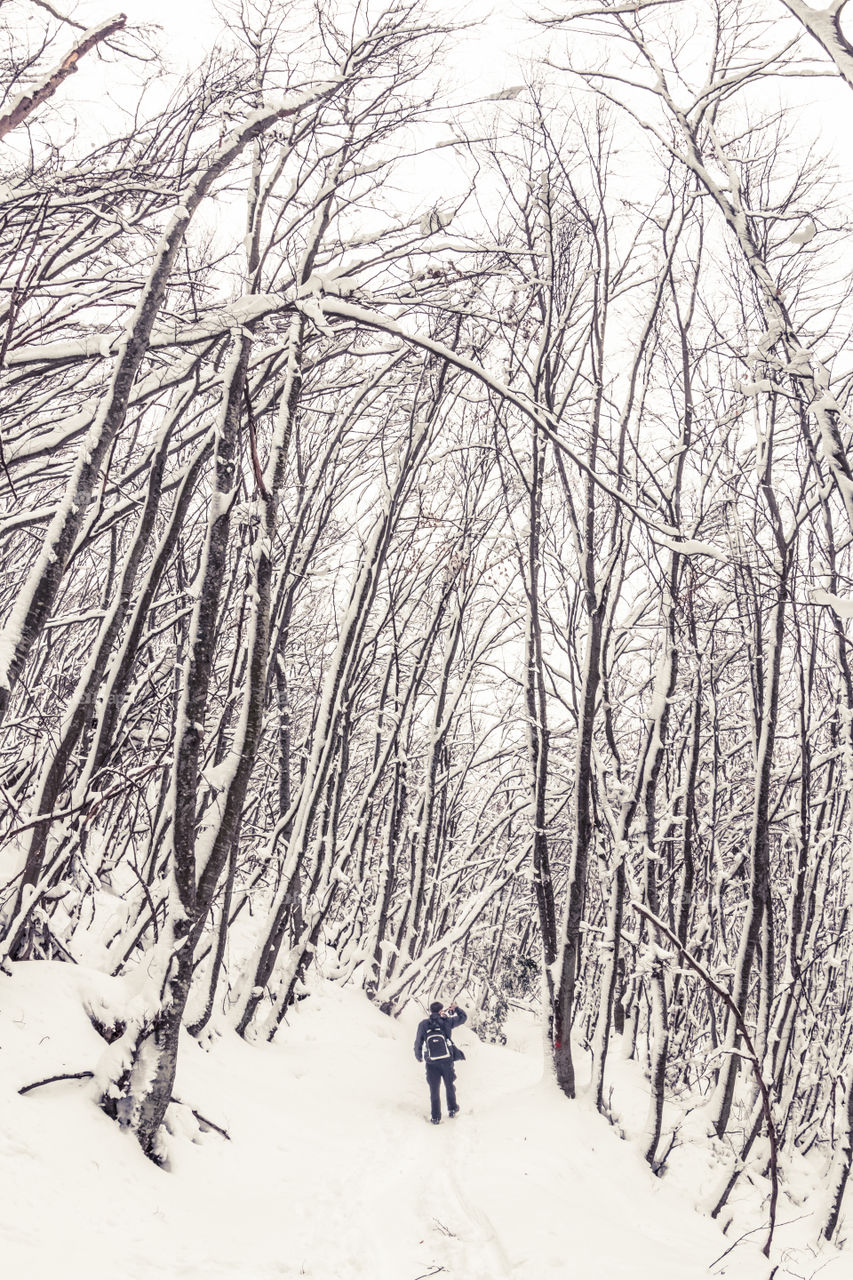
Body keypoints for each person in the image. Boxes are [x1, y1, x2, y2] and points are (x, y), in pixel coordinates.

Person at [414, 1000, 467, 1124]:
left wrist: (418, 1055)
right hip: (447, 1060)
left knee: (434, 1088)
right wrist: (456, 1009)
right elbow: (463, 1018)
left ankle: (436, 1116)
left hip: (431, 1062)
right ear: (441, 1011)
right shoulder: (446, 1022)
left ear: (431, 1011)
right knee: (449, 1085)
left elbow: (418, 1041)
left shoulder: (423, 1024)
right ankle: (452, 1109)